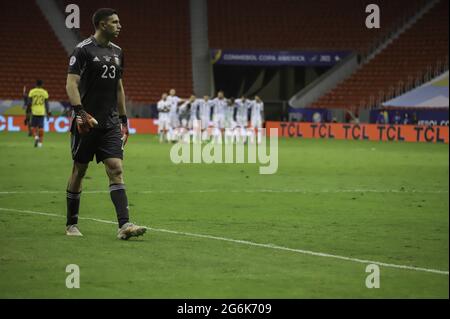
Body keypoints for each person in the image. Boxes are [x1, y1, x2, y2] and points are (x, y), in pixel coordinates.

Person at [65, 8, 146, 239]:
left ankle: (124, 225)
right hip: (86, 122)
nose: (119, 25)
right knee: (79, 170)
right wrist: (80, 113)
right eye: (115, 22)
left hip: (109, 122)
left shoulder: (119, 52)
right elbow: (71, 84)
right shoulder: (82, 50)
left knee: (116, 168)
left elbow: (119, 88)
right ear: (102, 24)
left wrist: (123, 120)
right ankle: (71, 223)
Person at [27, 80, 50, 147]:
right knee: (41, 128)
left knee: (32, 127)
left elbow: (29, 103)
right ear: (42, 84)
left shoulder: (32, 92)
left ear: (35, 84)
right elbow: (46, 104)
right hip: (42, 112)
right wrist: (48, 112)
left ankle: (36, 137)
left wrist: (28, 111)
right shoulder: (44, 92)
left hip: (34, 112)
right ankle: (40, 144)